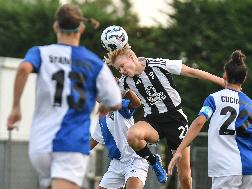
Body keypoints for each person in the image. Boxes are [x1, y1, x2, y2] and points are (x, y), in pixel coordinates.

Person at [6, 4, 121, 189]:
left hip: (40, 144)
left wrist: (16, 107)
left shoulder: (40, 52)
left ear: (56, 27)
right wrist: (106, 104)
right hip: (70, 143)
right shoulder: (94, 63)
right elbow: (115, 101)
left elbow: (24, 68)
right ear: (82, 29)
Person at [104, 44, 225, 187]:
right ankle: (154, 161)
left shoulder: (158, 64)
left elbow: (192, 72)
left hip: (175, 121)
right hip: (153, 121)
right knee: (133, 135)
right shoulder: (125, 81)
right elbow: (106, 96)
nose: (122, 71)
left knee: (185, 177)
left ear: (131, 57)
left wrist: (223, 82)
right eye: (119, 69)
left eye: (123, 66)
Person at [168, 50, 252, 189]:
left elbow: (199, 122)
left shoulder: (214, 99)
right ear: (244, 78)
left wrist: (179, 150)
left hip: (226, 168)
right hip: (250, 168)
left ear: (225, 75)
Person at [90, 90, 149, 189]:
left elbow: (136, 103)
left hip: (134, 159)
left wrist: (124, 91)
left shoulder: (119, 104)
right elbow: (93, 141)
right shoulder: (102, 118)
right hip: (117, 164)